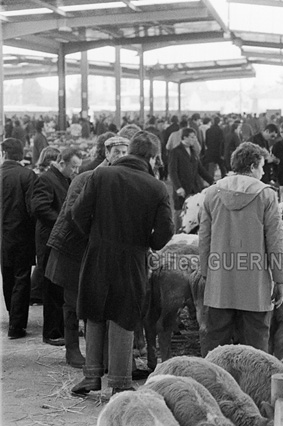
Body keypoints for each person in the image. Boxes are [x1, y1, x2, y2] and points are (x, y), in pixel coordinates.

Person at [70, 131, 173, 396]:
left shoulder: (101, 175)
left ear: (129, 151)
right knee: (124, 316)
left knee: (94, 312)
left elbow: (77, 212)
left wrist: (94, 237)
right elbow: (166, 231)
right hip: (132, 259)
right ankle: (119, 382)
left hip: (98, 253)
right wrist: (147, 242)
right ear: (153, 157)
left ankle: (91, 377)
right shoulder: (156, 187)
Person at [45, 136, 129, 368]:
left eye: (125, 151)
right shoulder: (86, 178)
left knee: (91, 302)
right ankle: (72, 350)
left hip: (91, 251)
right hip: (71, 248)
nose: (122, 156)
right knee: (71, 302)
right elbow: (73, 215)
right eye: (118, 152)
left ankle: (96, 355)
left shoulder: (116, 179)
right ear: (107, 153)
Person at [198, 141, 283, 355]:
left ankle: (213, 386)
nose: (264, 171)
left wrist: (205, 273)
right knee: (255, 350)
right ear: (252, 166)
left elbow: (204, 238)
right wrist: (280, 279)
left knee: (215, 345)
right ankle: (252, 388)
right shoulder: (267, 195)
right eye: (262, 166)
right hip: (255, 286)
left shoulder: (211, 193)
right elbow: (275, 241)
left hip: (220, 281)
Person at [31, 148, 82, 346]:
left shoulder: (65, 179)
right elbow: (39, 207)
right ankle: (51, 333)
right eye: (73, 166)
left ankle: (62, 329)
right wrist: (63, 222)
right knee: (51, 287)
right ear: (61, 163)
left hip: (60, 239)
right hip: (48, 239)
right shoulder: (46, 179)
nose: (76, 171)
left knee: (60, 286)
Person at [1, 138, 37, 339]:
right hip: (22, 235)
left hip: (2, 236)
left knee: (7, 276)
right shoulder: (27, 175)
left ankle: (11, 315)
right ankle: (16, 325)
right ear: (21, 154)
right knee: (21, 278)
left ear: (4, 153)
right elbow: (33, 209)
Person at [168, 127, 215, 226]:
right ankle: (178, 234)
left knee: (194, 212)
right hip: (182, 189)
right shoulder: (175, 152)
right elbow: (172, 172)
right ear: (184, 137)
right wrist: (178, 187)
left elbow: (200, 170)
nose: (195, 139)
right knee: (180, 212)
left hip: (194, 188)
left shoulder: (193, 152)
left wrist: (213, 181)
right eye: (192, 137)